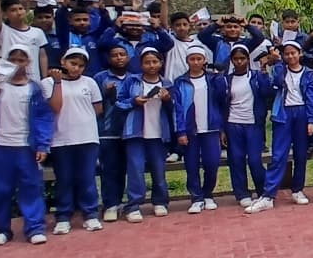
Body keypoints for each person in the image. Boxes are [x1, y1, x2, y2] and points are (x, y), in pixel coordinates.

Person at [0, 44, 54, 246]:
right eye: (13, 60)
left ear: (28, 62)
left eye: (22, 60)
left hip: (26, 147)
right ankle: (0, 229)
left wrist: (43, 145)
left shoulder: (34, 88)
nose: (17, 64)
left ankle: (34, 228)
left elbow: (44, 118)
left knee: (32, 188)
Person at [248, 41, 313, 213]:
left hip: (302, 114)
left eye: (293, 53)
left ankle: (297, 190)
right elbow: (275, 86)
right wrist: (274, 63)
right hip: (283, 114)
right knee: (279, 155)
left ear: (300, 54)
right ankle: (268, 195)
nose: (290, 56)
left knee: (300, 155)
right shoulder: (281, 70)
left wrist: (311, 121)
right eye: (286, 54)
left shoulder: (309, 74)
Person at [42, 47, 104, 234]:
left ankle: (90, 214)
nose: (76, 68)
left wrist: (82, 119)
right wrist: (58, 83)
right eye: (73, 63)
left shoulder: (90, 83)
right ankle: (63, 216)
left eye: (81, 65)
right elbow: (55, 107)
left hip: (87, 136)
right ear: (63, 61)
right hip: (61, 137)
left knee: (87, 178)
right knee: (65, 179)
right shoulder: (48, 82)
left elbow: (98, 108)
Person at [116, 46, 174, 222]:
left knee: (159, 170)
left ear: (161, 63)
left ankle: (160, 201)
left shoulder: (167, 84)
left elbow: (175, 110)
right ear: (140, 64)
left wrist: (168, 100)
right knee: (135, 170)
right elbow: (119, 102)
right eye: (147, 62)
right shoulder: (131, 81)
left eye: (155, 61)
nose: (151, 65)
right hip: (135, 133)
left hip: (158, 133)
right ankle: (133, 205)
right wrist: (134, 102)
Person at [173, 44, 228, 214]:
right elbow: (178, 108)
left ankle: (208, 194)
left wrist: (220, 79)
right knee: (192, 165)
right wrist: (181, 131)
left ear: (204, 60)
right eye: (192, 59)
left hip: (211, 128)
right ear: (187, 60)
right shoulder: (180, 82)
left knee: (212, 163)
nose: (196, 62)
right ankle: (196, 198)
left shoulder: (212, 79)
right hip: (191, 131)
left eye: (199, 59)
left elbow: (223, 100)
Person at [223, 45, 272, 208]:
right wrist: (222, 129)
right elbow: (222, 103)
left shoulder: (256, 76)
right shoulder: (227, 79)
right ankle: (242, 193)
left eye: (242, 58)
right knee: (236, 159)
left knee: (254, 160)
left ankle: (263, 191)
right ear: (231, 60)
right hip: (233, 124)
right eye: (236, 59)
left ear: (248, 60)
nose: (239, 62)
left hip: (253, 124)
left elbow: (267, 93)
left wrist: (264, 71)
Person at [94, 46, 131, 221]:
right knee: (109, 169)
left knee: (126, 168)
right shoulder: (100, 78)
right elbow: (94, 105)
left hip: (130, 131)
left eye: (122, 55)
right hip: (107, 131)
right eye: (114, 55)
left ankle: (123, 203)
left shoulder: (134, 78)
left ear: (128, 57)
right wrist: (106, 93)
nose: (119, 58)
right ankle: (110, 204)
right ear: (109, 58)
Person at [0, 0, 49, 82]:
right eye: (13, 10)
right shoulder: (4, 31)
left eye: (21, 9)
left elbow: (42, 56)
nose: (18, 12)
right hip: (7, 79)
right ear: (5, 14)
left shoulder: (37, 32)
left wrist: (45, 78)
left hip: (32, 79)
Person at [198, 14, 266, 74]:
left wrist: (248, 26)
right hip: (220, 78)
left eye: (236, 27)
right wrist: (216, 25)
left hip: (240, 78)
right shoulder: (217, 42)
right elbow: (202, 36)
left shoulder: (245, 43)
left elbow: (259, 37)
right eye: (229, 27)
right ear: (223, 29)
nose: (232, 29)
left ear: (241, 29)